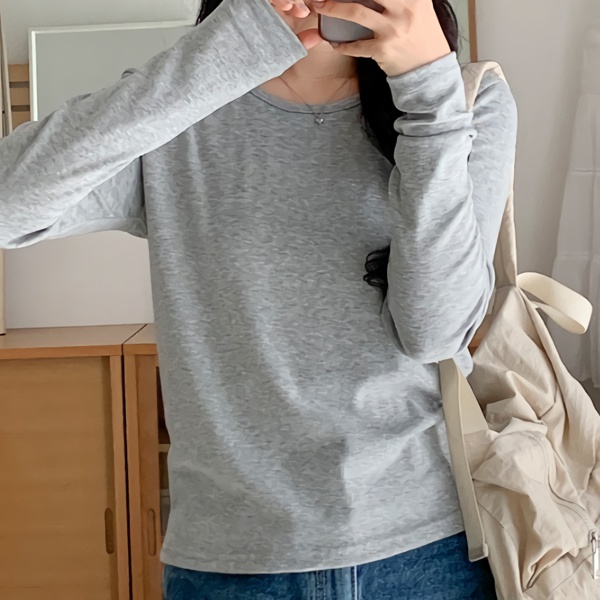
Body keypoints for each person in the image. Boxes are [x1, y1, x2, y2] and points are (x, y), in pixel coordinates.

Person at [0, 0, 517, 597]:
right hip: (232, 559)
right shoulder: (182, 110)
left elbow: (435, 332)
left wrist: (427, 90)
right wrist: (224, 54)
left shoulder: (464, 100)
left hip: (431, 548)